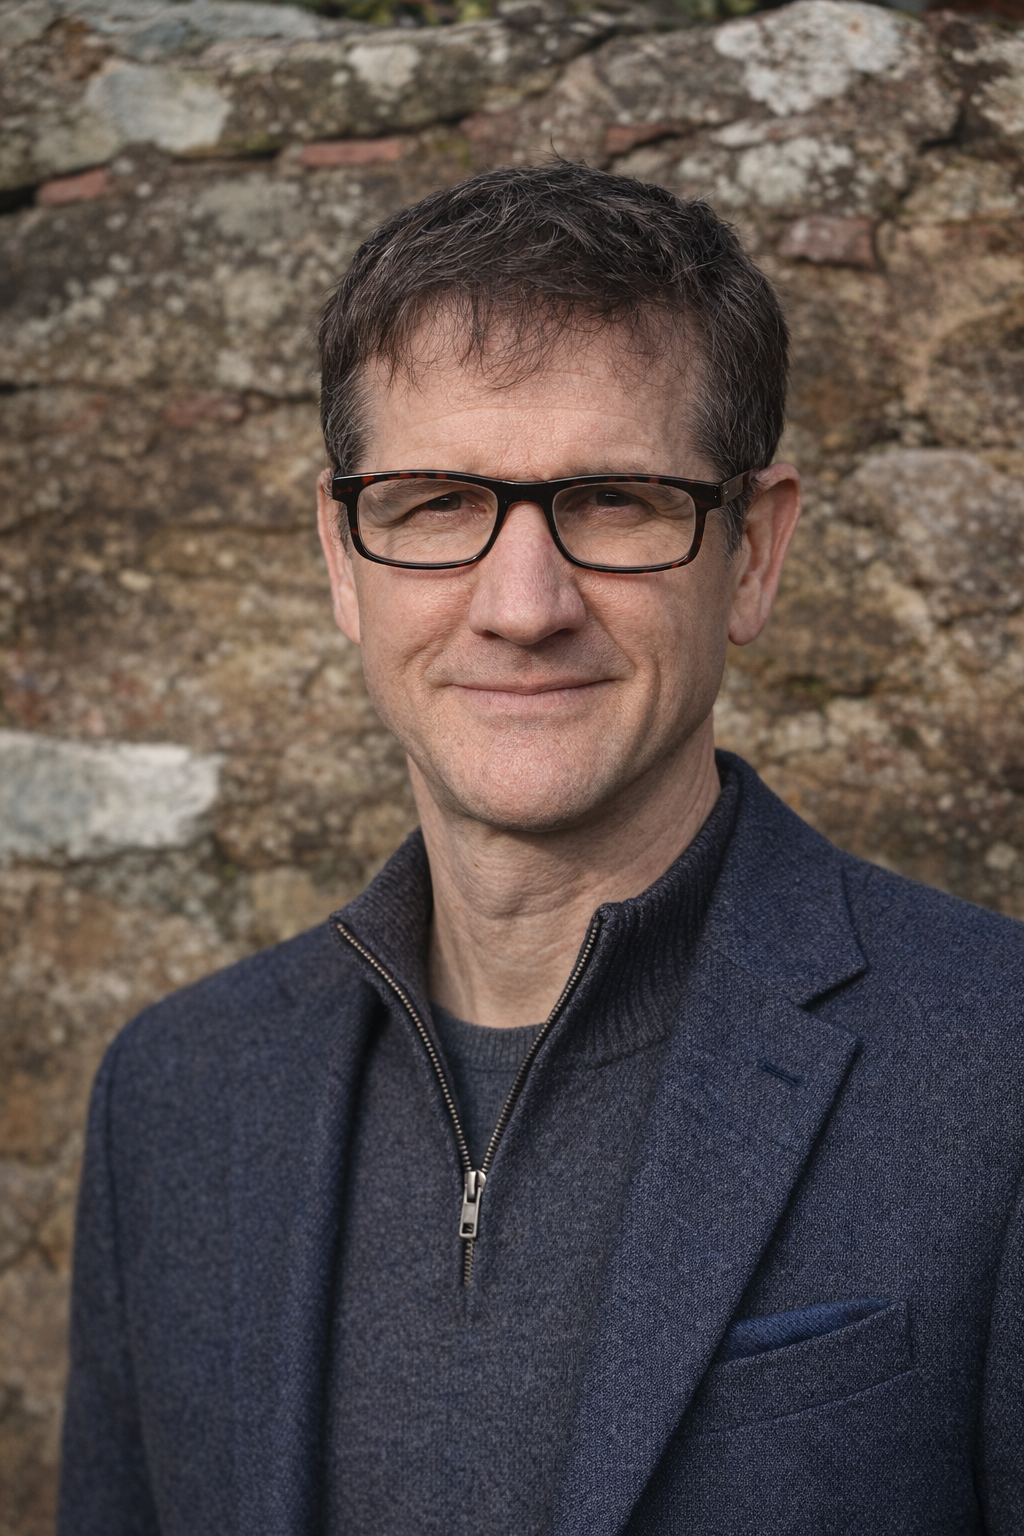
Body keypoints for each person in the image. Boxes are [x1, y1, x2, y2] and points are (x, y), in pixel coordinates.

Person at [59, 164, 1024, 1536]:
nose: (523, 606)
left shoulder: (999, 1066)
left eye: (618, 499)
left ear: (752, 551)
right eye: (437, 500)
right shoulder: (173, 1098)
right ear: (342, 553)